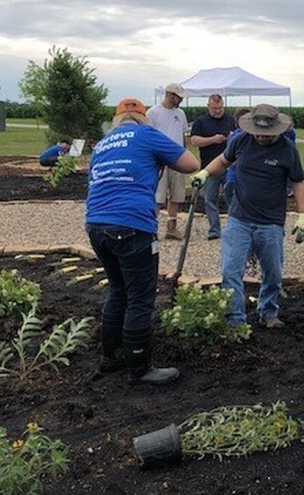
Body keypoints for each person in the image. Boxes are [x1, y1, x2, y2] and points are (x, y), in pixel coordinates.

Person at [85, 98, 199, 386]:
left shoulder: (103, 143)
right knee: (140, 297)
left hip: (97, 224)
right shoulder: (147, 134)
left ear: (117, 119)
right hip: (132, 224)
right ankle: (139, 367)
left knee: (118, 290)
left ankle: (110, 357)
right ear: (142, 117)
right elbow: (190, 163)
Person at [190, 104, 304, 329]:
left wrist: (303, 216)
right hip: (239, 219)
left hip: (271, 222)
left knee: (273, 272)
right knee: (230, 270)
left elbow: (299, 181)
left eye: (267, 134)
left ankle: (268, 311)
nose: (261, 137)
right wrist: (205, 172)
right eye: (258, 132)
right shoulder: (241, 141)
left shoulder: (288, 149)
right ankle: (235, 320)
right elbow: (223, 162)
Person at [189, 94, 236, 240]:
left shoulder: (231, 120)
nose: (218, 111)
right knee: (210, 199)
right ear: (208, 106)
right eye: (215, 108)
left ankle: (234, 228)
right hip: (209, 167)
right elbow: (194, 141)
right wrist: (213, 140)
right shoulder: (201, 122)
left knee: (233, 198)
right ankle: (214, 229)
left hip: (230, 167)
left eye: (220, 108)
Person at [147, 83, 189, 240]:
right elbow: (148, 135)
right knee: (158, 196)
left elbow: (183, 135)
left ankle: (171, 228)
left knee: (177, 195)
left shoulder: (181, 114)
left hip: (177, 159)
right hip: (160, 160)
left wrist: (184, 153)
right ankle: (150, 228)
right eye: (178, 97)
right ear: (170, 95)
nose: (180, 100)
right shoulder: (153, 113)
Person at [224, 107, 251, 208]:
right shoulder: (237, 137)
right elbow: (231, 159)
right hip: (237, 179)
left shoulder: (234, 135)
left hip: (236, 179)